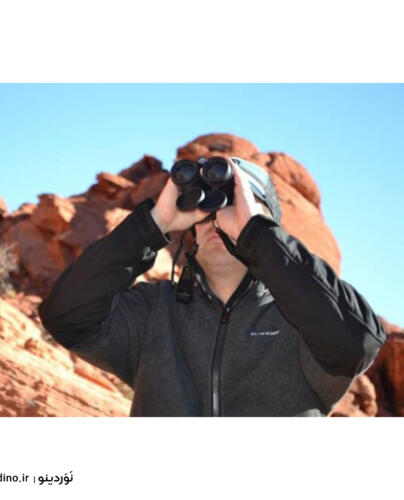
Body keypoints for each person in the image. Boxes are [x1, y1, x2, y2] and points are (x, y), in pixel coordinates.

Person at [38, 156, 387, 416]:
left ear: (268, 227)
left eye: (236, 205)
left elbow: (357, 344)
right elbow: (66, 318)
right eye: (209, 208)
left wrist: (255, 236)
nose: (218, 219)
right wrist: (154, 223)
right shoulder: (153, 310)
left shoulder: (304, 318)